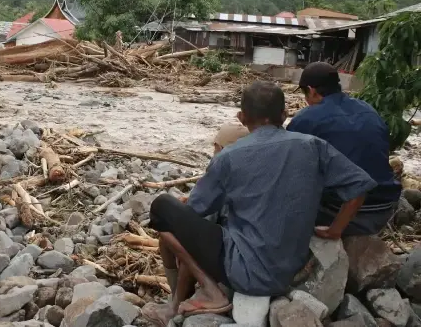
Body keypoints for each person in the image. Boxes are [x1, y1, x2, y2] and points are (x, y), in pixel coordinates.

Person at [144, 81, 377, 325]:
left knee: (162, 208)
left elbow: (196, 211)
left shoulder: (229, 157)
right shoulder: (313, 146)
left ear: (242, 117)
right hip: (292, 268)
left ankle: (208, 291)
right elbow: (359, 188)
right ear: (285, 115)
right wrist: (335, 229)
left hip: (245, 273)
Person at [287, 61, 402, 237]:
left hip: (339, 214)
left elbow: (285, 165)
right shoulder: (369, 110)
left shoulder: (307, 118)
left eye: (305, 93)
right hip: (383, 209)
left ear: (311, 91)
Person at [163, 123, 251, 294]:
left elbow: (198, 215)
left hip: (231, 253)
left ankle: (177, 298)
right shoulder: (253, 171)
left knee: (168, 231)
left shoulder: (221, 171)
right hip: (251, 247)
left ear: (219, 147)